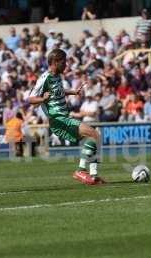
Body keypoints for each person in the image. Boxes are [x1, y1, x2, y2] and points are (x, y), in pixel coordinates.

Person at [28, 49, 105, 185]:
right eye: (64, 62)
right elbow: (31, 99)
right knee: (94, 134)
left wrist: (72, 92)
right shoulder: (44, 78)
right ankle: (81, 171)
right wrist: (42, 98)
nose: (66, 65)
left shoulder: (57, 76)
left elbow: (58, 91)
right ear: (55, 62)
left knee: (94, 137)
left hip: (63, 117)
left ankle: (93, 176)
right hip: (58, 119)